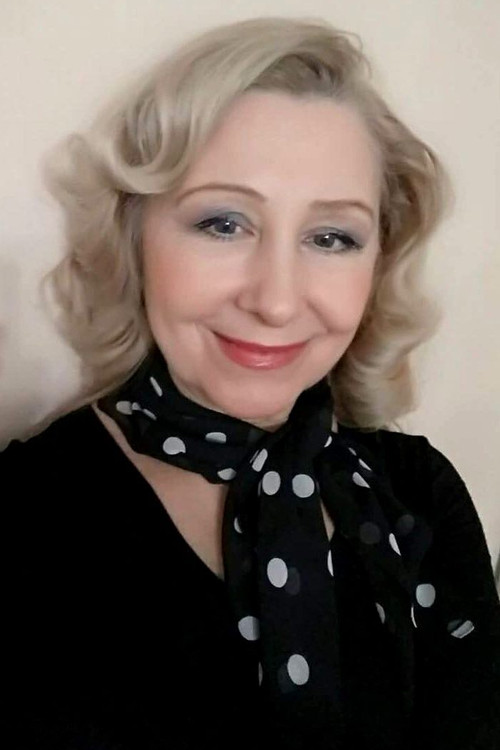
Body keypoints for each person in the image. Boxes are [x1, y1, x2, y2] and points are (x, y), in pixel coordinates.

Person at [1, 14, 499, 750]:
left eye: (331, 237)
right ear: (135, 237)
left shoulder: (419, 496)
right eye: (223, 224)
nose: (276, 301)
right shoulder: (21, 519)